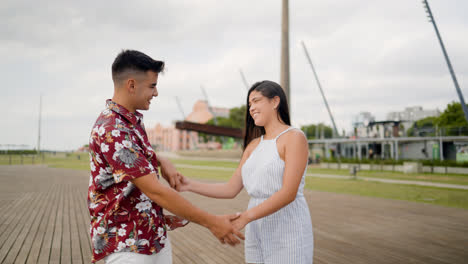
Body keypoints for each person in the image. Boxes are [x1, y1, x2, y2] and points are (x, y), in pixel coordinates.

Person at [88, 50, 244, 264]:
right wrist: (212, 222)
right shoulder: (112, 128)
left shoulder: (129, 122)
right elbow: (156, 191)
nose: (156, 93)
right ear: (131, 85)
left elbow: (136, 156)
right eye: (152, 86)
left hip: (152, 237)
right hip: (128, 244)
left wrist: (161, 159)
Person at [178, 80, 314, 263]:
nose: (251, 108)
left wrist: (245, 217)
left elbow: (288, 193)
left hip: (287, 223)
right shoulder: (253, 145)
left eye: (256, 101)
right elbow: (230, 188)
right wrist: (188, 184)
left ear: (275, 102)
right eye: (250, 104)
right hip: (256, 226)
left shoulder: (294, 137)